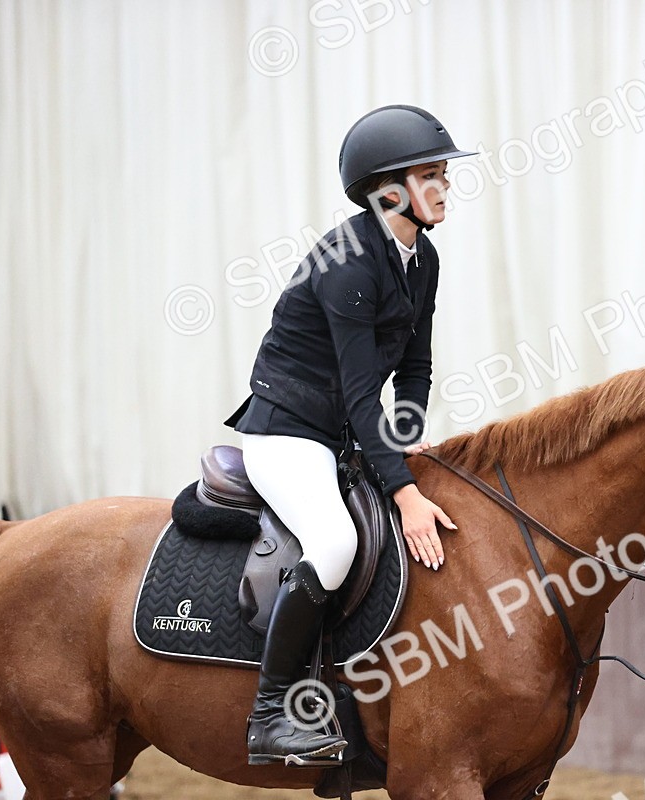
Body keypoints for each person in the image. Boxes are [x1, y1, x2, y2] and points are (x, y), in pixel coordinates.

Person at [223, 104, 474, 765]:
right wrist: (405, 495)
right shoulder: (348, 264)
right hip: (287, 432)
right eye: (430, 175)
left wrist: (408, 436)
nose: (445, 185)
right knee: (334, 542)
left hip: (341, 432)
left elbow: (414, 367)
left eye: (443, 173)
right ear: (389, 191)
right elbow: (363, 396)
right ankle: (269, 715)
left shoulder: (423, 259)